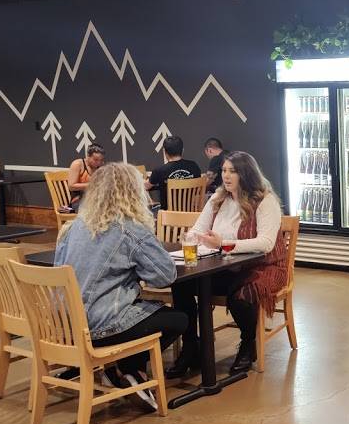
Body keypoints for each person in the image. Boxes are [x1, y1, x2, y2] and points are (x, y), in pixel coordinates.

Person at [54, 162, 189, 409]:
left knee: (143, 310)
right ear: (133, 192)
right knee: (178, 319)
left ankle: (123, 372)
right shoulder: (130, 229)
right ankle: (128, 369)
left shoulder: (73, 227)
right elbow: (165, 276)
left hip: (64, 324)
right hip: (99, 326)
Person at [168, 151, 286, 377]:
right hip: (223, 265)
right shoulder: (218, 198)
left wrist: (223, 244)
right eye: (224, 170)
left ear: (246, 174)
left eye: (233, 171)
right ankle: (191, 346)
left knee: (241, 296)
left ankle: (248, 344)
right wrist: (192, 238)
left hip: (262, 266)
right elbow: (198, 230)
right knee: (181, 284)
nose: (226, 176)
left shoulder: (264, 200)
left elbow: (265, 244)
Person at [146, 135, 203, 208]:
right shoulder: (194, 166)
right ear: (182, 150)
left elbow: (145, 186)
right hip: (191, 212)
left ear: (164, 151)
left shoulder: (159, 171)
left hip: (168, 213)